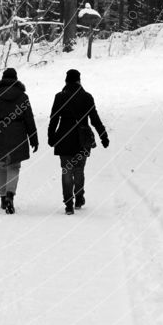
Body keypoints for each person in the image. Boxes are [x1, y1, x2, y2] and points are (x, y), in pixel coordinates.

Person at [48, 68, 109, 215]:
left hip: (64, 138)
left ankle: (68, 204)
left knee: (66, 171)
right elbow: (94, 119)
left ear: (66, 81)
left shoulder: (59, 97)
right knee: (79, 170)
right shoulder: (87, 97)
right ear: (79, 81)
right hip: (82, 139)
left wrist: (51, 137)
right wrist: (103, 135)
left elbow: (54, 119)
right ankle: (79, 197)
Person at [0, 67, 38, 214]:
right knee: (14, 166)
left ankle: (2, 198)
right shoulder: (23, 97)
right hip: (18, 135)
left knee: (1, 166)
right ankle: (10, 196)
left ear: (3, 79)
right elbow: (29, 119)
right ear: (16, 79)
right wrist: (34, 139)